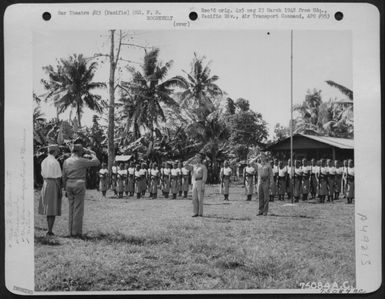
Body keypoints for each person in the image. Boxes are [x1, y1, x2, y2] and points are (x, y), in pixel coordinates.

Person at [62, 144, 100, 237]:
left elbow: (64, 176)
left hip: (69, 184)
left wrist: (65, 188)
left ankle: (70, 231)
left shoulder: (66, 161)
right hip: (79, 183)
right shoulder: (81, 160)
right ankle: (76, 232)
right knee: (78, 209)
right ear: (80, 151)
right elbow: (96, 162)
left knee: (71, 208)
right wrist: (92, 153)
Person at [38, 144, 62, 236]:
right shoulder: (55, 162)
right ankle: (50, 230)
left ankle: (49, 228)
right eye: (57, 151)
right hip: (53, 183)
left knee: (48, 207)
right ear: (55, 151)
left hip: (45, 183)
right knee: (52, 207)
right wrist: (59, 189)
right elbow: (58, 177)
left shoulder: (44, 161)